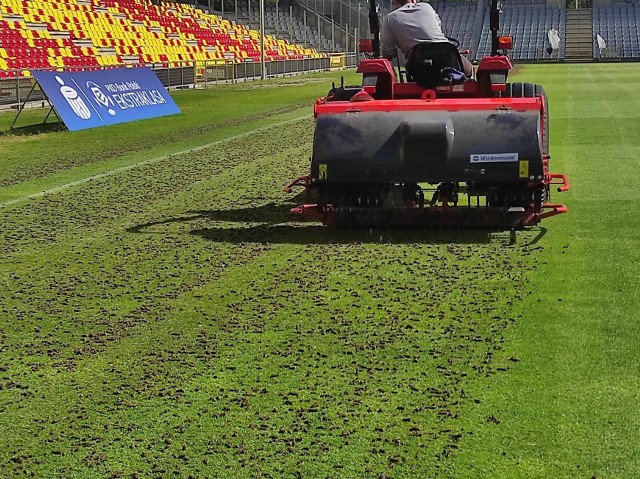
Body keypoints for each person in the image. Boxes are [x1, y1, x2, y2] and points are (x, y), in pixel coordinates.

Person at [380, 0, 473, 78]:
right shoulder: (427, 7)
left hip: (419, 66)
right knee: (468, 68)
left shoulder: (389, 19)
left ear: (394, 2)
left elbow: (388, 53)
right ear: (414, 0)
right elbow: (439, 28)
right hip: (447, 55)